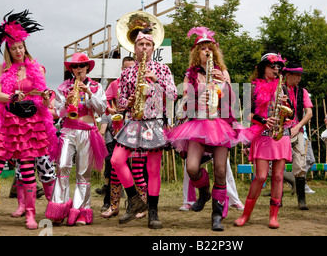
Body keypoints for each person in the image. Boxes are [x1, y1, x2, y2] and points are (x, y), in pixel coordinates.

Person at [0, 10, 58, 230]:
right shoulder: (2, 69)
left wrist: (46, 96)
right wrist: (11, 96)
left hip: (29, 124)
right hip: (6, 121)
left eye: (21, 47)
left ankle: (30, 214)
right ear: (8, 50)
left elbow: (41, 94)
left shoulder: (36, 69)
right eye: (14, 48)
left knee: (28, 168)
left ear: (25, 47)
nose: (18, 51)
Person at [167, 27, 241, 231]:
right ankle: (205, 192)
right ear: (196, 53)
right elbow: (184, 101)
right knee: (192, 167)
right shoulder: (190, 75)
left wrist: (223, 83)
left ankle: (217, 214)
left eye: (210, 48)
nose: (207, 51)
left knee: (220, 169)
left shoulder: (222, 72)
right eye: (202, 48)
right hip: (197, 124)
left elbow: (231, 103)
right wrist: (195, 98)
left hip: (219, 124)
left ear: (214, 52)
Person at [110, 26, 177, 229]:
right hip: (133, 120)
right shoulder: (127, 72)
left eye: (148, 44)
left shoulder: (163, 69)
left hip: (154, 122)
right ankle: (135, 200)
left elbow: (174, 94)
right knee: (116, 160)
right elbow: (120, 102)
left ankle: (153, 213)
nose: (144, 48)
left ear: (153, 48)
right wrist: (128, 102)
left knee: (153, 169)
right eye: (141, 44)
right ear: (135, 48)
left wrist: (158, 81)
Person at [45, 52, 107, 226]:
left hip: (87, 131)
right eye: (74, 66)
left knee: (83, 173)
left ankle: (80, 212)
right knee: (62, 166)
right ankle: (58, 209)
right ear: (71, 69)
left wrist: (88, 93)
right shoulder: (63, 87)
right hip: (68, 130)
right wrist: (65, 104)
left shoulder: (95, 86)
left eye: (81, 66)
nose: (78, 69)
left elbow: (102, 109)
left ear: (87, 67)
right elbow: (57, 112)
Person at [234, 53, 293, 229]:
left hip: (281, 134)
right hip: (262, 134)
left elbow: (291, 114)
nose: (276, 69)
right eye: (272, 66)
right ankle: (246, 215)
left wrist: (287, 106)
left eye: (278, 67)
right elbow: (245, 114)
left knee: (278, 176)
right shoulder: (252, 87)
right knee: (260, 176)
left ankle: (273, 217)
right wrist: (263, 120)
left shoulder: (283, 87)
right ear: (263, 68)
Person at [97, 56, 135, 215]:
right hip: (118, 130)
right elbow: (103, 100)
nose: (129, 71)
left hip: (136, 129)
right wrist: (110, 109)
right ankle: (110, 203)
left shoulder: (140, 83)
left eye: (131, 67)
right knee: (114, 165)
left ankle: (135, 204)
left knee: (137, 169)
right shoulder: (114, 84)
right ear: (121, 68)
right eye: (126, 68)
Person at [282, 62, 313, 210]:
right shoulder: (278, 90)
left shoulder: (303, 92)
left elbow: (309, 113)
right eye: (297, 75)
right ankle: (277, 198)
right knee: (278, 164)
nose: (300, 78)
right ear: (288, 75)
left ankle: (302, 200)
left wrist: (298, 126)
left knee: (301, 163)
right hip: (281, 131)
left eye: (301, 75)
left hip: (298, 130)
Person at [179, 157, 244, 211]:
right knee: (189, 163)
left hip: (215, 142)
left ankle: (234, 200)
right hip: (196, 142)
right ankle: (189, 201)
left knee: (223, 165)